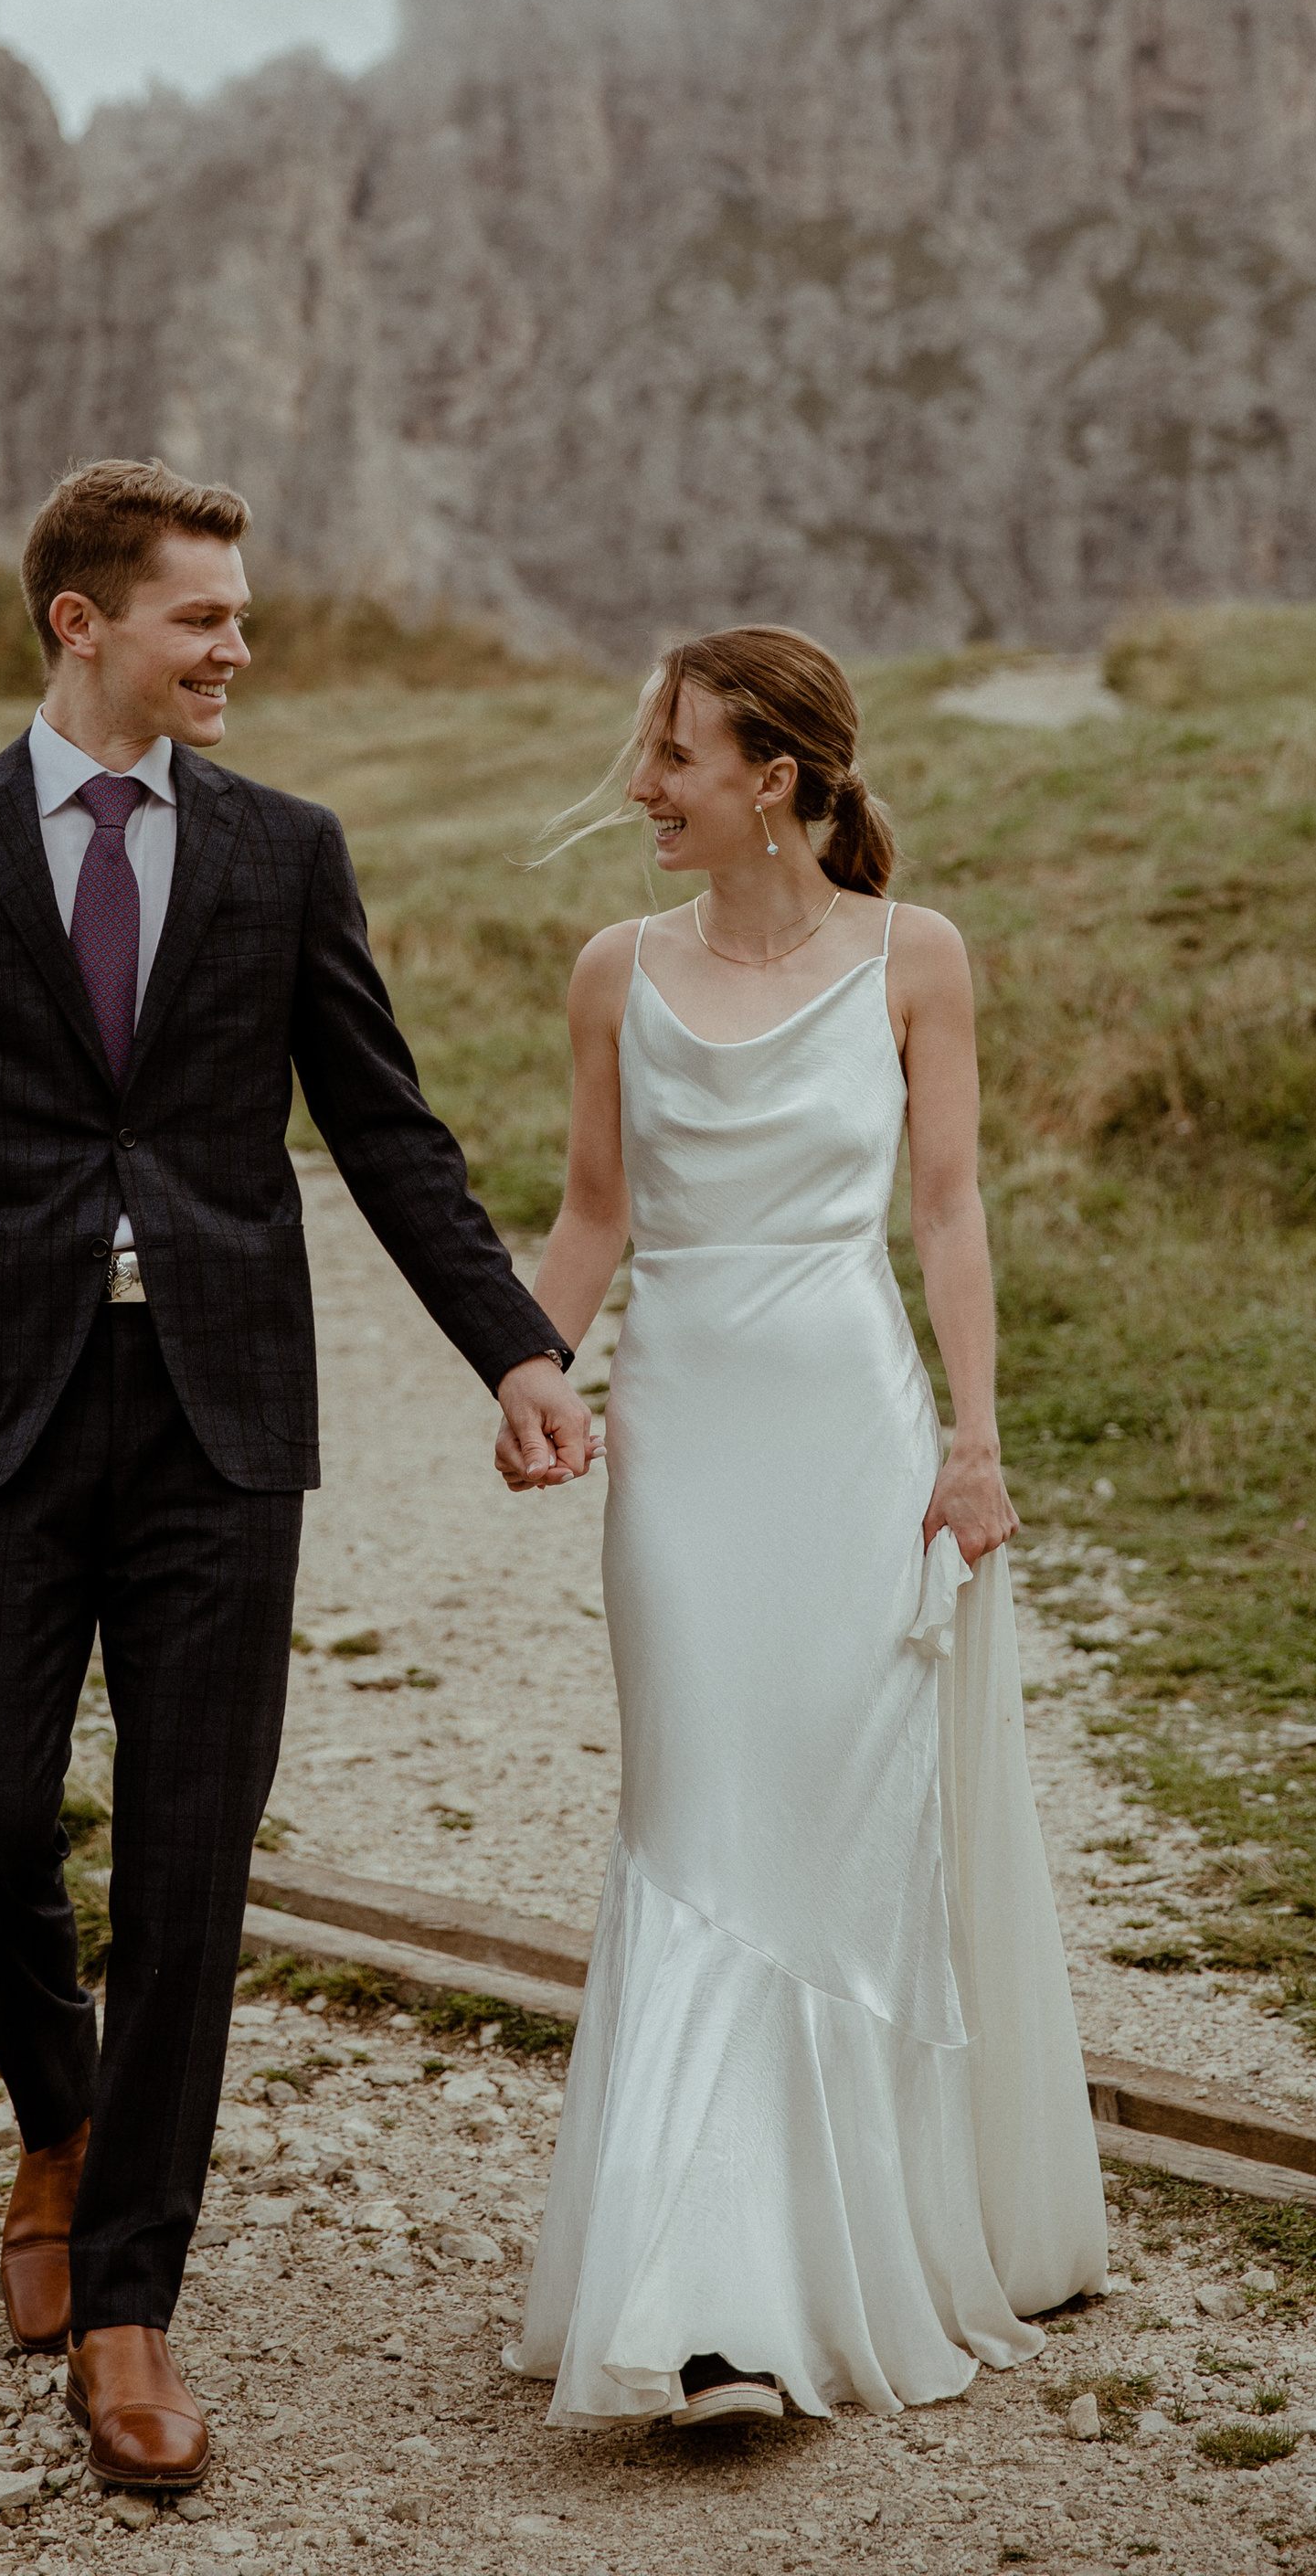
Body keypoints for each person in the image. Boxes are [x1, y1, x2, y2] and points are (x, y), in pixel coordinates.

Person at [0, 459, 591, 2491]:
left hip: (226, 1419)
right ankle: (57, 2107)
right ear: (80, 622)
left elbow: (386, 1135)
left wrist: (518, 1348)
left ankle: (129, 2298)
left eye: (239, 613)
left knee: (191, 1860)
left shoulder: (285, 853)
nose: (238, 647)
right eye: (202, 616)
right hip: (6, 1409)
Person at [504, 625, 1105, 2428]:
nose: (642, 789)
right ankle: (705, 2294)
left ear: (770, 780)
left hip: (851, 1429)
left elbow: (946, 1219)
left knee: (841, 1833)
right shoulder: (615, 970)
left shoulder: (914, 959)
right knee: (696, 1821)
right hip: (682, 1441)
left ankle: (824, 2263)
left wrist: (974, 1444)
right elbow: (593, 1214)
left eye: (671, 758)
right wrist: (526, 1365)